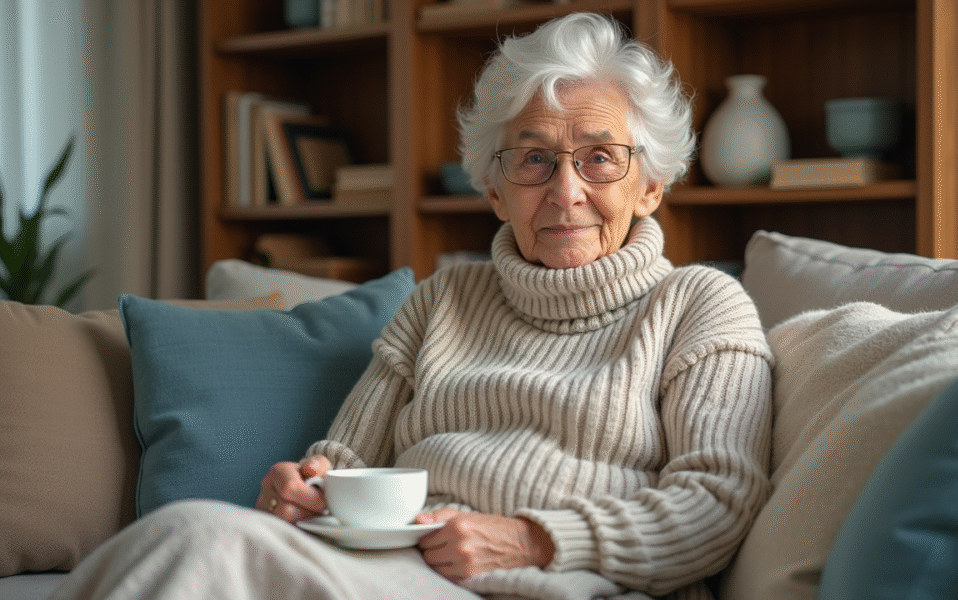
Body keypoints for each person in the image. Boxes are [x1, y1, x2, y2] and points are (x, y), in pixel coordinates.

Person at [48, 12, 772, 600]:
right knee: (190, 535)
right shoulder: (443, 300)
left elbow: (718, 504)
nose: (565, 190)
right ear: (493, 189)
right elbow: (347, 458)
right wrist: (307, 489)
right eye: (533, 159)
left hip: (568, 583)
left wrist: (528, 538)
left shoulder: (700, 305)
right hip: (395, 572)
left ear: (651, 184)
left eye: (600, 157)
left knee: (200, 544)